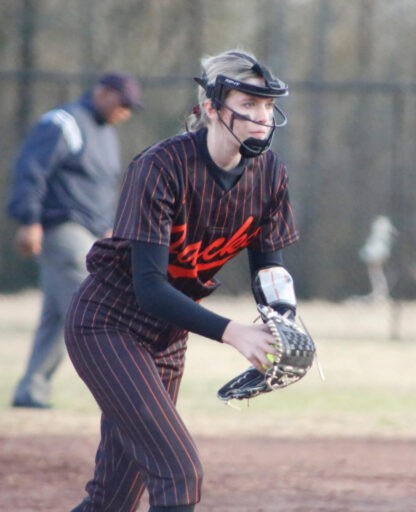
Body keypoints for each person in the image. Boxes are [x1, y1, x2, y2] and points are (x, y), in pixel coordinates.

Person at [65, 50, 300, 512]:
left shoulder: (270, 173)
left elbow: (268, 267)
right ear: (211, 108)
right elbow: (150, 288)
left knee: (111, 503)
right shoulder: (160, 166)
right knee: (179, 472)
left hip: (166, 338)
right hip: (108, 324)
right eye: (248, 105)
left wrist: (285, 324)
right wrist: (233, 332)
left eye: (268, 108)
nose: (262, 118)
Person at [8, 72, 143, 409]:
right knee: (93, 308)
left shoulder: (106, 134)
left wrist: (109, 230)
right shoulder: (63, 122)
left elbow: (99, 188)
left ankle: (31, 390)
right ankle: (121, 392)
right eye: (122, 103)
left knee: (58, 316)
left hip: (93, 232)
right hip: (62, 228)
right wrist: (29, 220)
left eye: (130, 107)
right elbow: (31, 170)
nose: (125, 112)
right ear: (102, 92)